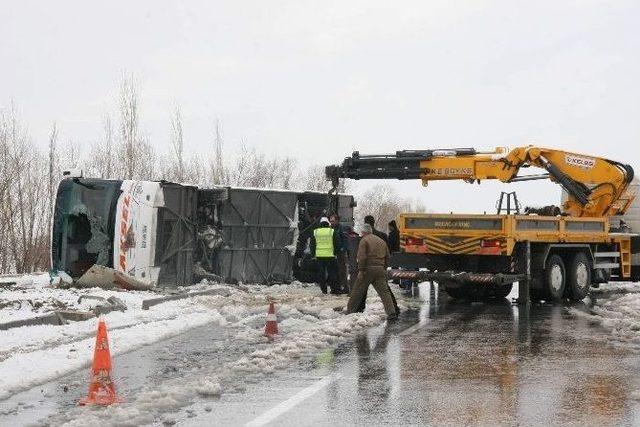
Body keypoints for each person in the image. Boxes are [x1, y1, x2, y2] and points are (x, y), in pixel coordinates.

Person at [346, 223, 398, 319]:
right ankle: (391, 312)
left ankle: (349, 311)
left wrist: (361, 270)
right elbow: (388, 257)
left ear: (364, 232)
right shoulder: (381, 241)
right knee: (384, 292)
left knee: (357, 291)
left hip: (367, 270)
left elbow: (362, 257)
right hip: (380, 269)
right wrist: (384, 267)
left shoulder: (364, 240)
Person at [310, 217, 340, 294]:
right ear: (328, 223)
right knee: (332, 273)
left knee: (321, 273)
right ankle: (334, 289)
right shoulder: (332, 231)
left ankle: (324, 290)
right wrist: (336, 253)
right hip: (330, 255)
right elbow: (337, 243)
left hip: (319, 256)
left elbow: (312, 245)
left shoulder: (315, 232)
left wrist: (313, 254)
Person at [329, 214, 349, 294]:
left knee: (342, 270)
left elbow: (345, 240)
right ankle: (336, 287)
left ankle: (345, 287)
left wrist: (342, 249)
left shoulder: (341, 228)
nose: (331, 223)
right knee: (334, 271)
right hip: (332, 252)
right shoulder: (331, 228)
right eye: (330, 221)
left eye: (333, 221)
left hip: (340, 253)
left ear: (337, 221)